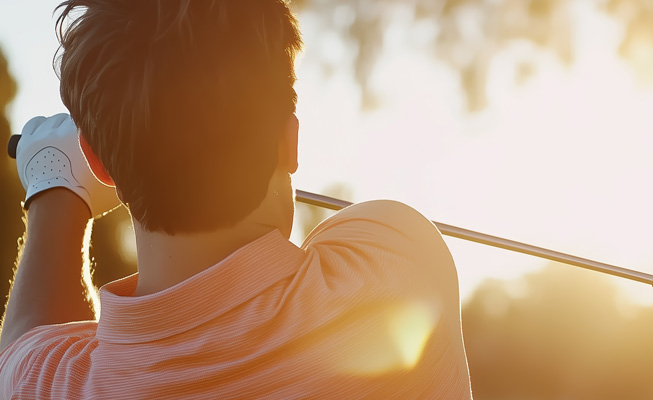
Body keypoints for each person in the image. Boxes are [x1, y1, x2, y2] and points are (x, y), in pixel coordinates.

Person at [0, 1, 473, 398]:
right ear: (289, 140)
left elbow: (26, 346)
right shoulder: (396, 262)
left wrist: (55, 187)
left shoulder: (36, 382)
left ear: (98, 163)